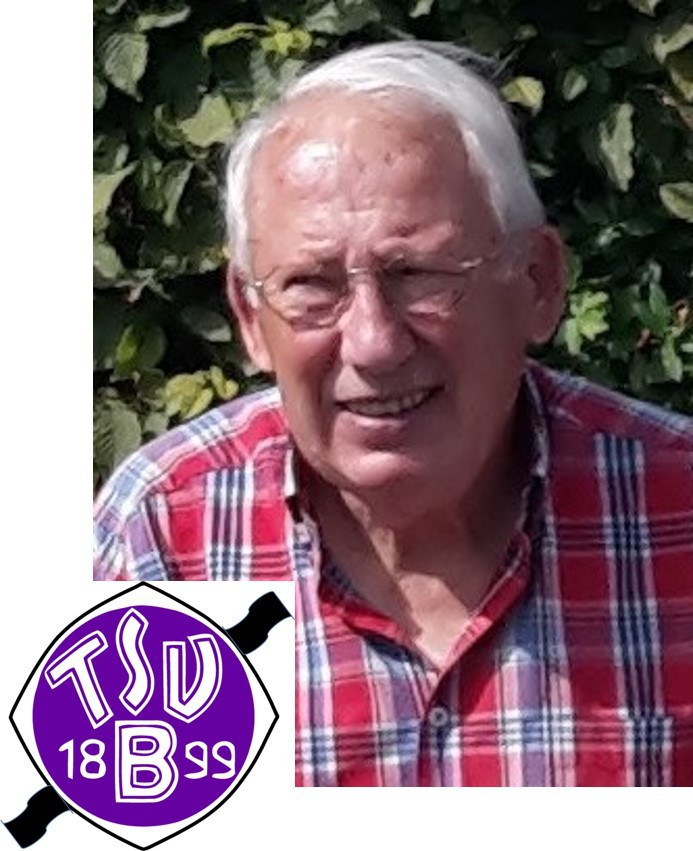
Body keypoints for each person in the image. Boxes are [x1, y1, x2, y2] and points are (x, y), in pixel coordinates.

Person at [94, 41, 693, 786]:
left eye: (417, 274)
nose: (373, 343)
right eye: (312, 286)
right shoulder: (165, 537)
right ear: (250, 318)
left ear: (537, 283)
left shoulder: (677, 508)